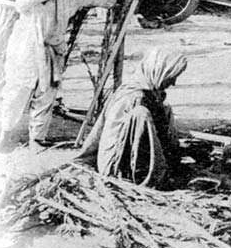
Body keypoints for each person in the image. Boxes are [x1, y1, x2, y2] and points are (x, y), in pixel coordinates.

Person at [0, 0, 121, 148]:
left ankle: (37, 139)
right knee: (16, 92)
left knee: (46, 96)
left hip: (52, 51)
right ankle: (6, 132)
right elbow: (23, 3)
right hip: (26, 51)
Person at [75, 47, 188, 188]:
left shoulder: (149, 91)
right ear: (160, 71)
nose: (173, 83)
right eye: (172, 77)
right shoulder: (134, 97)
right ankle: (149, 177)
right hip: (117, 166)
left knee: (165, 108)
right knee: (141, 115)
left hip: (131, 159)